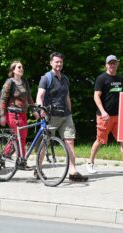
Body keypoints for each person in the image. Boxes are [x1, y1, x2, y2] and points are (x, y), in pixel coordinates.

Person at [36, 52, 88, 182]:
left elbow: (67, 96)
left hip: (66, 115)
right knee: (45, 143)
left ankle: (72, 171)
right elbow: (40, 95)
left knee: (70, 141)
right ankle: (38, 169)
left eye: (60, 62)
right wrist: (41, 109)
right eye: (56, 62)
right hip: (51, 116)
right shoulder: (46, 78)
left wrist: (70, 110)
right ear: (51, 63)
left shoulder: (65, 79)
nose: (59, 64)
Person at [86, 55, 123, 175]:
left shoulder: (120, 78)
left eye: (114, 63)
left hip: (118, 116)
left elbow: (122, 96)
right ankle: (90, 163)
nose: (112, 65)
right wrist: (103, 111)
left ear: (117, 64)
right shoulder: (101, 78)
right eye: (110, 63)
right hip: (104, 116)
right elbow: (96, 96)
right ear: (106, 65)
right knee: (99, 140)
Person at [0, 61, 39, 176]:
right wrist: (2, 116)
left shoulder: (24, 82)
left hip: (23, 113)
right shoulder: (9, 82)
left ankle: (5, 154)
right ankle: (21, 160)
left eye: (22, 67)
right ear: (13, 70)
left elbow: (29, 98)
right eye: (19, 67)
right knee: (20, 136)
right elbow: (3, 99)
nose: (21, 69)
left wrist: (35, 111)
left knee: (22, 136)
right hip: (12, 113)